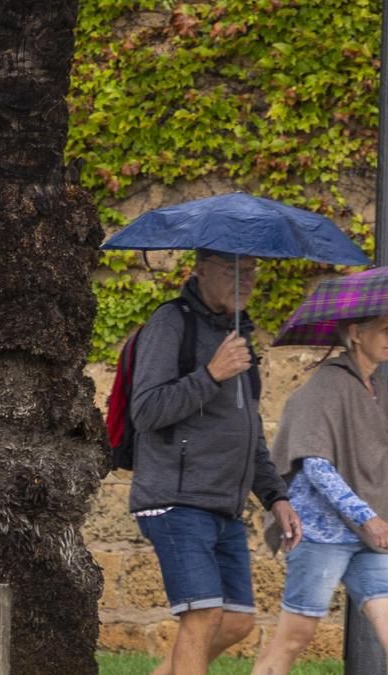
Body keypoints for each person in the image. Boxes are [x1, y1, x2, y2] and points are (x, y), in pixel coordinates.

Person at [129, 249, 302, 675]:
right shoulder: (171, 323)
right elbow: (146, 411)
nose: (246, 278)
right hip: (175, 499)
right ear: (200, 270)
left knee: (238, 620)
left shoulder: (238, 334)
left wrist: (275, 496)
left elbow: (249, 432)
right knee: (202, 616)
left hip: (223, 505)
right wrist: (211, 375)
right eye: (232, 269)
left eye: (252, 269)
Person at [251, 314, 388, 675]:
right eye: (386, 329)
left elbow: (379, 466)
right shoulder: (324, 387)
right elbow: (315, 464)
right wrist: (369, 518)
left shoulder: (373, 387)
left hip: (367, 537)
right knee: (294, 638)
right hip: (320, 533)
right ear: (356, 334)